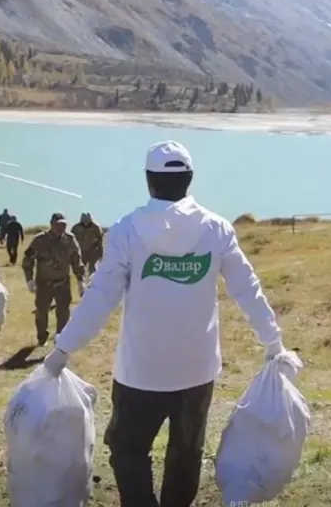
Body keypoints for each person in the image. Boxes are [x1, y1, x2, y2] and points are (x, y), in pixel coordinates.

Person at [40, 140, 287, 507]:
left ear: (148, 181)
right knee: (187, 450)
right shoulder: (216, 229)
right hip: (197, 370)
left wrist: (63, 349)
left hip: (141, 371)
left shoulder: (126, 230)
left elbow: (100, 296)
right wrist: (273, 343)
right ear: (189, 179)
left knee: (127, 448)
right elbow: (247, 289)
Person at [21, 212, 87, 346]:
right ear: (52, 224)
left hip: (62, 283)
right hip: (44, 283)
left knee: (63, 312)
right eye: (59, 225)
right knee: (42, 311)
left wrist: (80, 281)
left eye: (64, 225)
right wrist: (29, 279)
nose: (61, 227)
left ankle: (61, 339)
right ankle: (42, 337)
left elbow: (76, 260)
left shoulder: (69, 239)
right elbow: (28, 259)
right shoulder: (40, 240)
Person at [71, 212, 104, 278]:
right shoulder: (76, 228)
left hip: (92, 250)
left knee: (92, 268)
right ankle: (82, 281)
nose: (86, 223)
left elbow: (100, 240)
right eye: (84, 221)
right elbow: (71, 240)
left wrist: (100, 252)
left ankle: (92, 282)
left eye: (87, 221)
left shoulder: (96, 227)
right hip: (81, 250)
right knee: (80, 267)